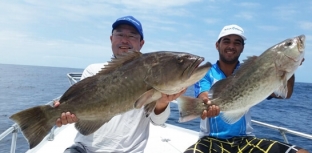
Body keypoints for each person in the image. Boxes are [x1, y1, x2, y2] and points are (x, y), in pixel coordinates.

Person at [54, 15, 186, 153]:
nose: (124, 40)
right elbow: (77, 106)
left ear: (141, 43)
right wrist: (64, 113)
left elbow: (158, 121)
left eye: (132, 36)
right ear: (111, 39)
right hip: (85, 149)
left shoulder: (155, 76)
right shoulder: (93, 70)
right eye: (120, 34)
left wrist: (162, 103)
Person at [184, 24, 309, 153]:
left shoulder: (253, 71)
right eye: (226, 41)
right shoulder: (205, 73)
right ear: (217, 45)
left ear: (242, 48)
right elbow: (203, 96)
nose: (231, 46)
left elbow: (284, 94)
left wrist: (290, 69)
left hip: (245, 141)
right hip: (210, 141)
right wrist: (207, 106)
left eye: (237, 43)